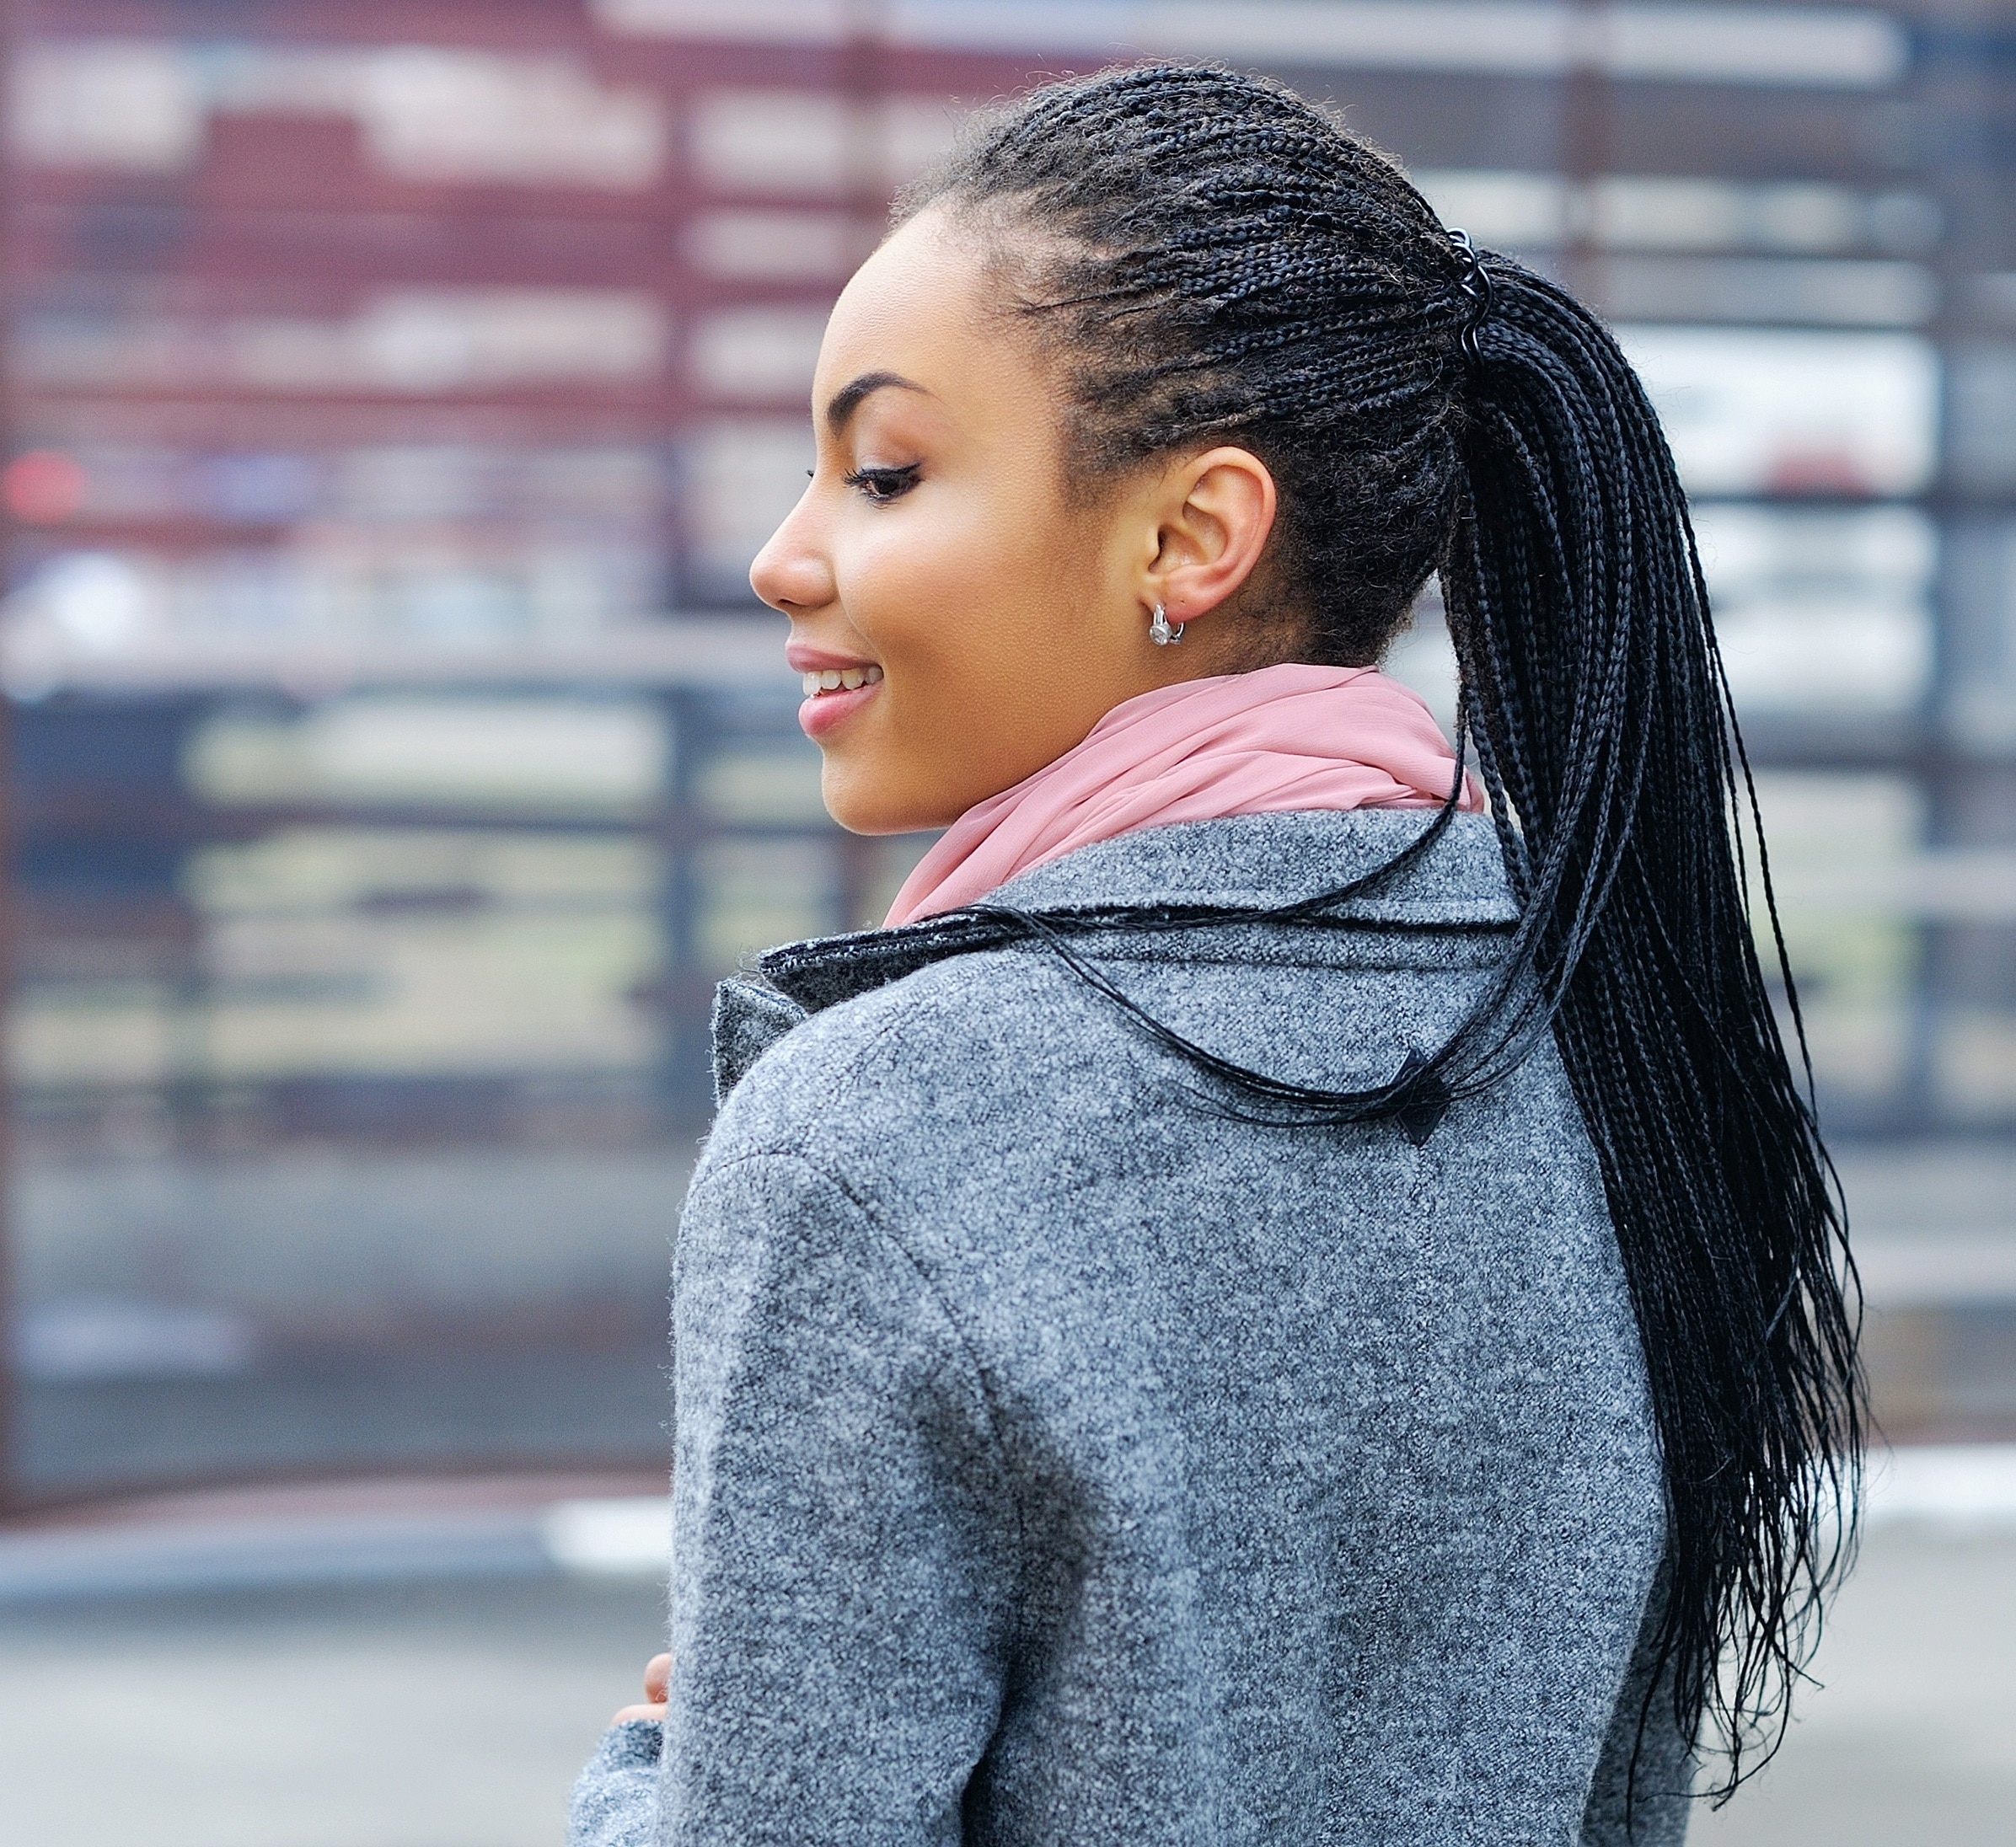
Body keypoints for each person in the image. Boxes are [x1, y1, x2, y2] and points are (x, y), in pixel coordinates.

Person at [569, 63, 1862, 1847]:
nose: (783, 556)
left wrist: (649, 1772)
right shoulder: (1614, 1048)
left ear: (1187, 535)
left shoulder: (875, 1140)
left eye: (883, 471)